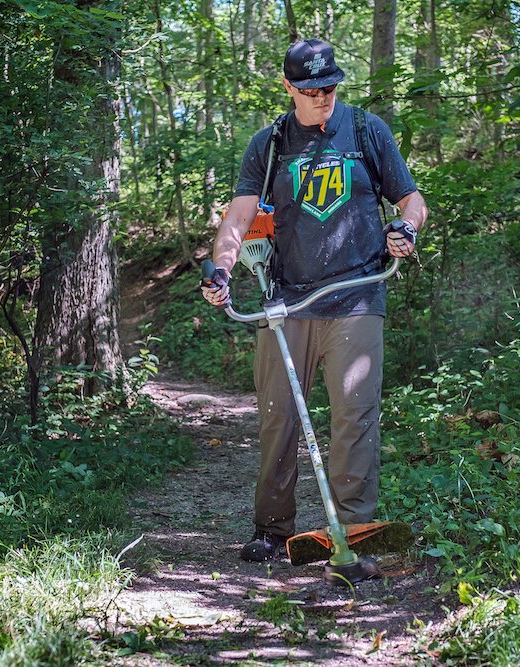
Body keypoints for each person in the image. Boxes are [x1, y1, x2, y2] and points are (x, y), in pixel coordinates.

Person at [201, 38, 427, 562]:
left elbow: (411, 201)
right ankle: (273, 530)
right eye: (310, 89)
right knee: (278, 417)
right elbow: (237, 219)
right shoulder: (271, 143)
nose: (322, 96)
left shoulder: (368, 131)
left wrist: (406, 229)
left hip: (356, 294)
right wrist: (224, 270)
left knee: (355, 415)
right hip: (286, 301)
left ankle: (354, 530)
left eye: (329, 87)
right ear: (288, 88)